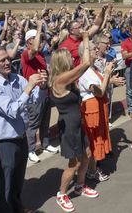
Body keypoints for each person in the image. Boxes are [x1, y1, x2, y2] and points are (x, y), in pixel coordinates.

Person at [0, 46, 47, 213]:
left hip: (21, 136)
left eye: (8, 58)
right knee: (5, 181)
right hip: (4, 142)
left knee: (18, 178)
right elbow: (12, 111)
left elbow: (36, 100)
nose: (7, 62)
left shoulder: (18, 79)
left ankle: (17, 207)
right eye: (2, 60)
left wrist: (41, 86)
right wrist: (29, 88)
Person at [50, 31, 99, 213]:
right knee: (75, 163)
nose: (73, 58)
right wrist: (85, 38)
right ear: (63, 62)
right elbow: (86, 63)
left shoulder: (68, 79)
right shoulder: (60, 80)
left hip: (79, 123)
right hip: (69, 126)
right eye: (70, 57)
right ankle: (62, 194)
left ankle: (80, 185)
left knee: (86, 155)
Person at [79, 40, 124, 181]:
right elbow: (99, 92)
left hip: (99, 106)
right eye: (93, 49)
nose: (97, 50)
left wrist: (110, 80)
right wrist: (107, 73)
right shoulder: (85, 71)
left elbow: (100, 85)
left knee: (98, 138)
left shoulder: (93, 68)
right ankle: (91, 171)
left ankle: (93, 167)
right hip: (93, 109)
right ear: (85, 53)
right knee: (94, 140)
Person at [21, 21, 59, 164]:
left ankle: (45, 143)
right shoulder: (26, 54)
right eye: (37, 38)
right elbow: (35, 48)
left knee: (45, 121)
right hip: (33, 95)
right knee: (33, 123)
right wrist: (38, 27)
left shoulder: (41, 56)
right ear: (29, 42)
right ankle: (30, 150)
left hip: (44, 92)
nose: (41, 41)